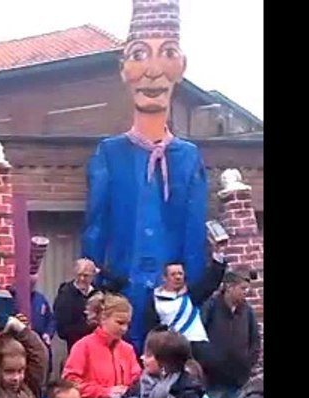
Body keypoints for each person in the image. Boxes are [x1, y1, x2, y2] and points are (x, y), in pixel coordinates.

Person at [82, 0, 208, 353]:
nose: (153, 70)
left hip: (171, 304)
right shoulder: (110, 153)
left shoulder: (188, 157)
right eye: (139, 55)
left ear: (180, 66)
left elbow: (194, 233)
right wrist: (98, 284)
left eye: (166, 53)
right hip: (122, 292)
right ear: (123, 69)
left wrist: (189, 291)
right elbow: (96, 225)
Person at [200, 271, 262, 398]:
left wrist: (249, 360)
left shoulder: (247, 311)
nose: (246, 292)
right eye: (242, 288)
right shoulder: (211, 307)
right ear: (229, 287)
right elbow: (200, 335)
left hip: (238, 371)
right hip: (214, 372)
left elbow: (255, 338)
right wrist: (208, 360)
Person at [142, 254, 227, 364]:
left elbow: (210, 282)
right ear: (164, 278)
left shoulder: (191, 294)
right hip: (174, 349)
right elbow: (152, 328)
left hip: (198, 346)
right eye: (173, 274)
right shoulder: (155, 300)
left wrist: (218, 257)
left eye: (180, 274)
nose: (178, 277)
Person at [54, 259, 98, 354]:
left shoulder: (98, 293)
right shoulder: (65, 295)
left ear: (93, 276)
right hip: (76, 347)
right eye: (79, 275)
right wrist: (88, 327)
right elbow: (62, 330)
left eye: (86, 275)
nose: (82, 278)